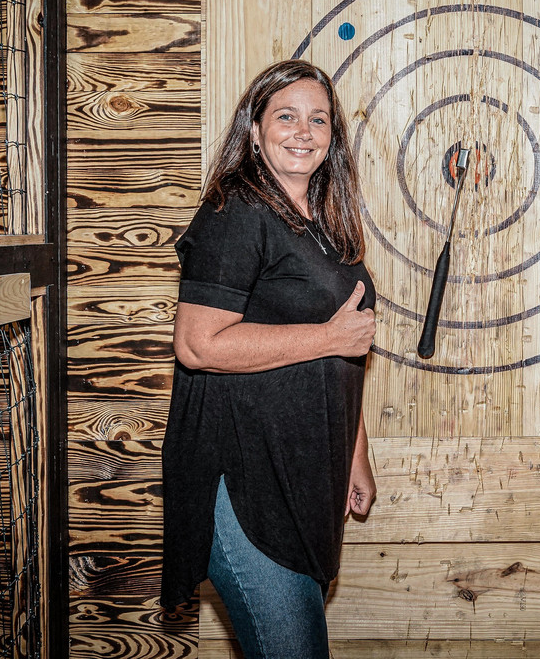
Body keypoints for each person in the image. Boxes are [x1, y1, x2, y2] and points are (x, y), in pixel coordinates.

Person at [160, 59, 377, 658]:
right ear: (254, 130)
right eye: (285, 116)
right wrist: (328, 339)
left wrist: (355, 455)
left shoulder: (326, 226)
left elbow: (348, 351)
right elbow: (198, 344)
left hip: (305, 476)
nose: (303, 131)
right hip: (245, 482)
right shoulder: (236, 213)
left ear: (333, 139)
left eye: (318, 120)